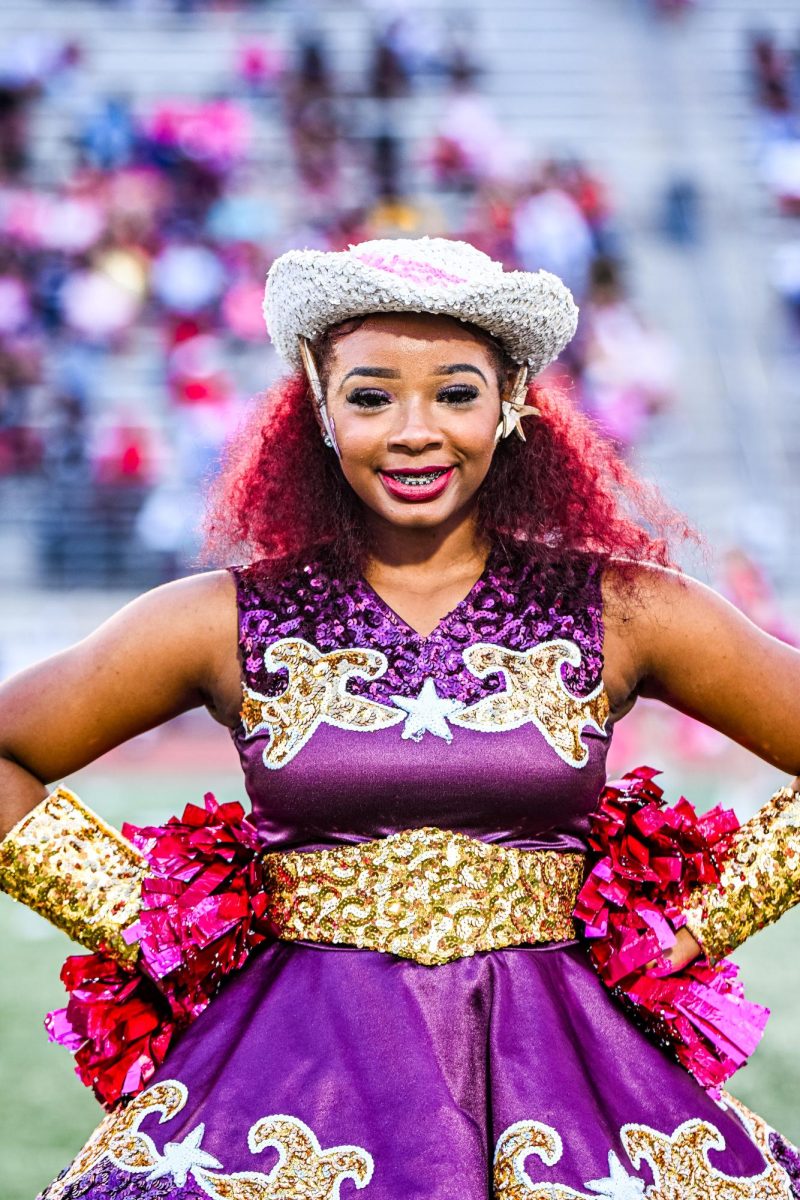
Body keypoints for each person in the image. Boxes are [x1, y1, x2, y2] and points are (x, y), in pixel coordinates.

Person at [1, 235, 800, 1200]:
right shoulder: (219, 617)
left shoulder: (628, 609)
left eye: (456, 394)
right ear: (322, 413)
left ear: (511, 408)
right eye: (372, 395)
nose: (415, 431)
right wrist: (163, 930)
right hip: (287, 1079)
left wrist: (700, 925)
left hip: (572, 1079)